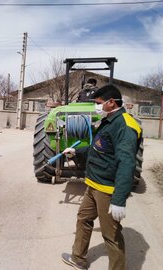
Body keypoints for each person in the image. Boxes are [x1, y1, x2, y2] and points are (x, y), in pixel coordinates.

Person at [61, 84, 142, 270]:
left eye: (99, 103)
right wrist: (76, 150)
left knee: (111, 235)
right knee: (83, 219)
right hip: (93, 185)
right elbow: (97, 148)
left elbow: (127, 164)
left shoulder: (125, 126)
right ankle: (78, 258)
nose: (96, 107)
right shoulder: (108, 121)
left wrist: (119, 200)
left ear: (111, 102)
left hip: (107, 190)